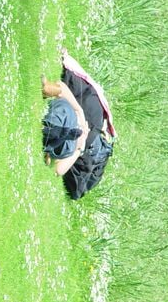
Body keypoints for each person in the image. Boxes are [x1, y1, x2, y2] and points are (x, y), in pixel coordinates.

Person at [41, 48, 115, 199]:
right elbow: (58, 170)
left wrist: (79, 115)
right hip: (88, 134)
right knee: (78, 186)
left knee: (79, 184)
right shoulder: (73, 146)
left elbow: (62, 87)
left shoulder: (85, 122)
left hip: (91, 128)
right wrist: (79, 149)